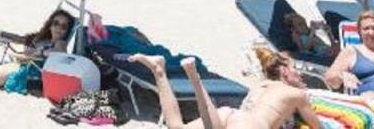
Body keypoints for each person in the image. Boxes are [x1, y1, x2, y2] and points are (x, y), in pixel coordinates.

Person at [131, 47, 322, 129]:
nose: (302, 75)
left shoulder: (261, 85)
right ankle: (193, 77)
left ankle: (159, 71)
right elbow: (318, 127)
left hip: (228, 115)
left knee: (176, 127)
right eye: (297, 70)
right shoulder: (296, 94)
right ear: (285, 72)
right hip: (251, 124)